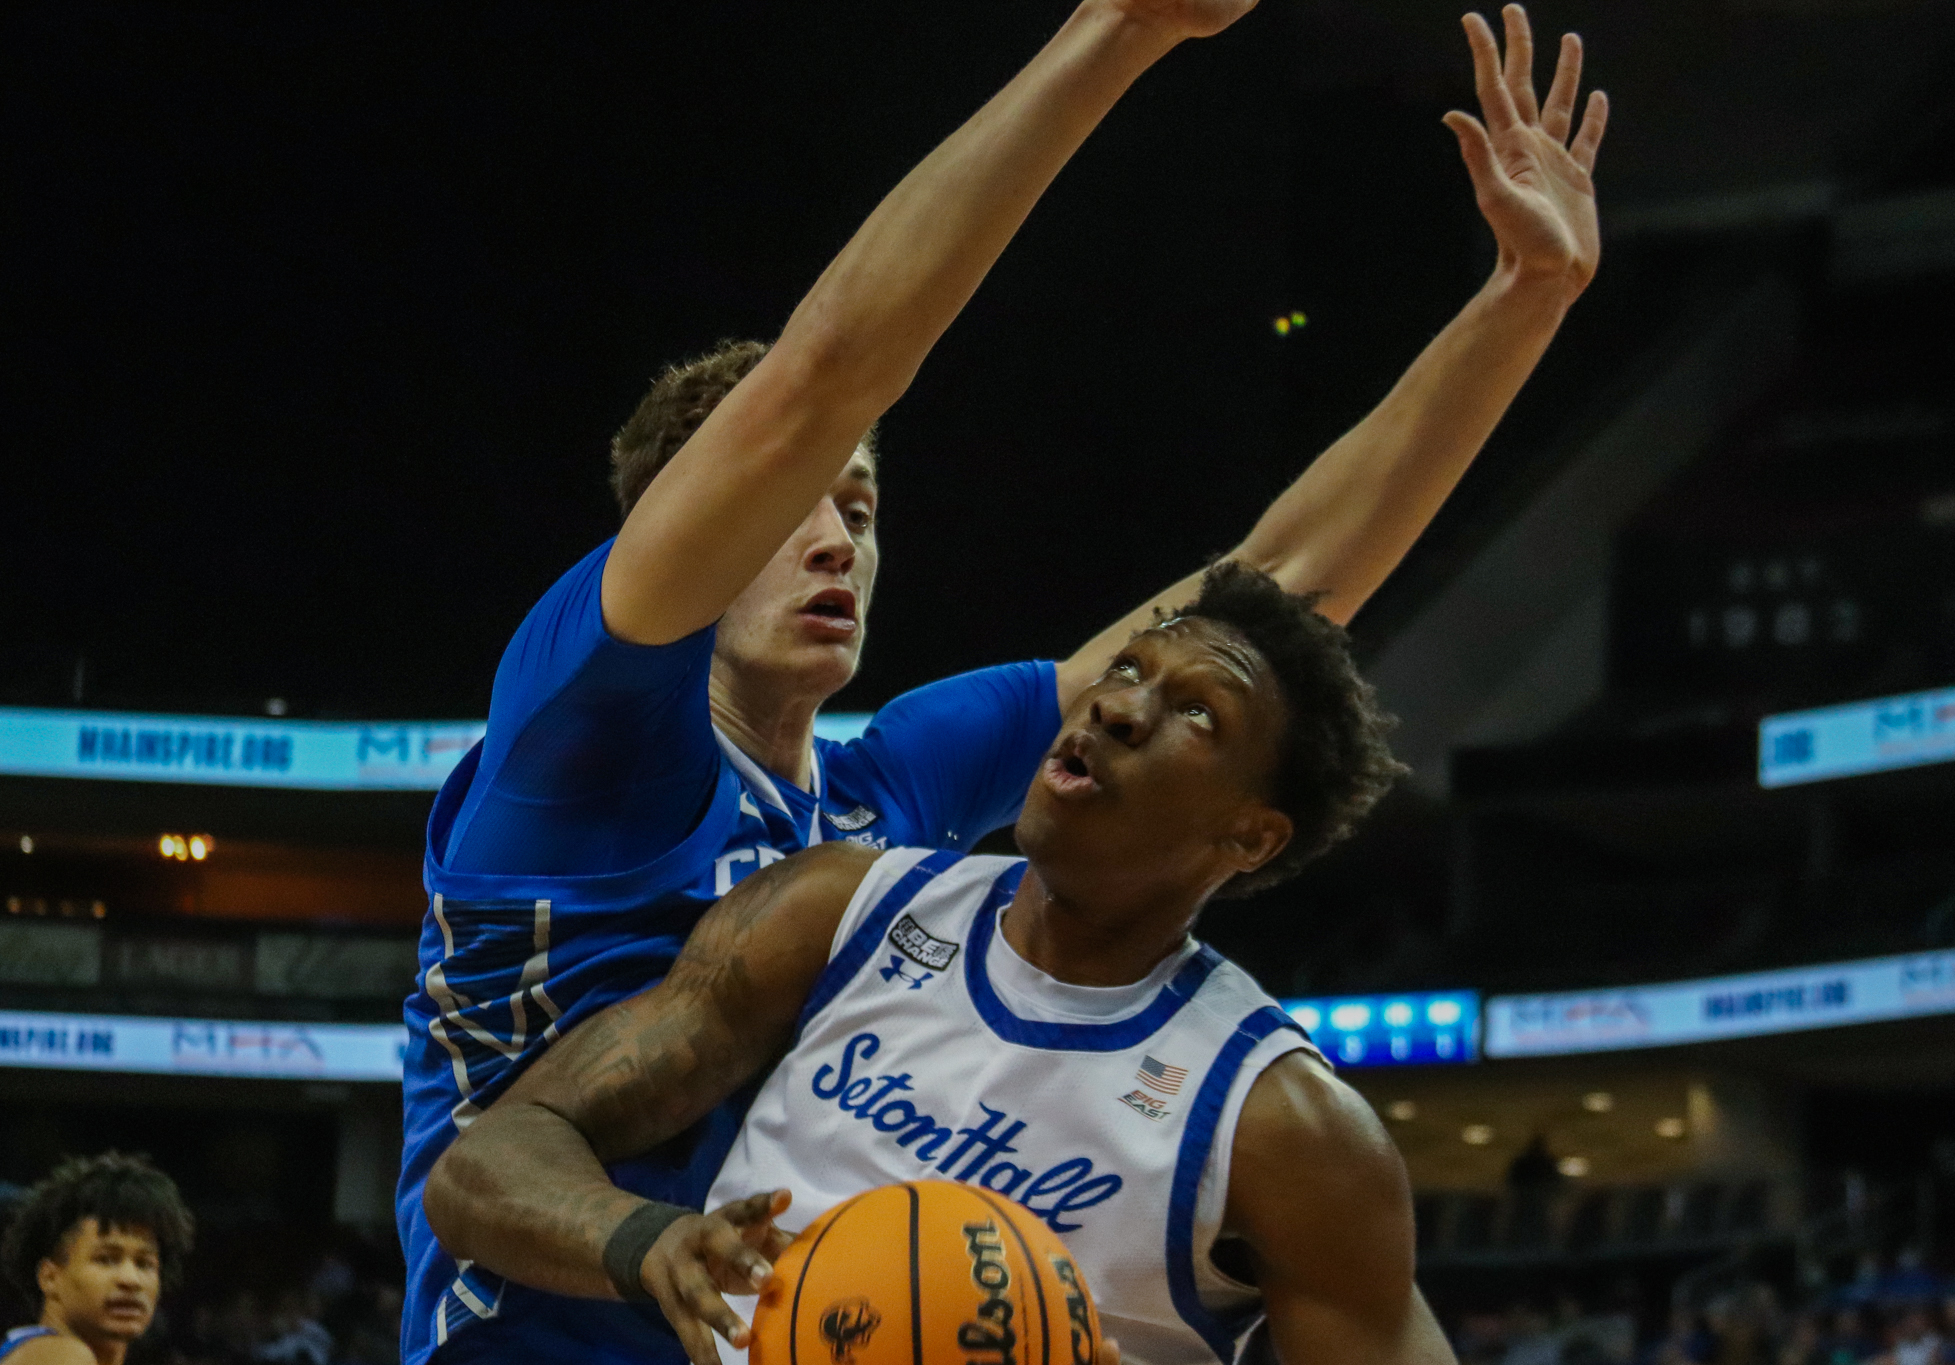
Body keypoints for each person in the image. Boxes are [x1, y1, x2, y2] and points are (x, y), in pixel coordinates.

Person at [401, 0, 1607, 1359]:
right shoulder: (589, 722)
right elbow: (824, 377)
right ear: (684, 527)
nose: (835, 531)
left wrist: (1526, 302)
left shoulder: (892, 789)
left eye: (862, 507)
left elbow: (1274, 595)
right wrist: (1123, 29)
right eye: (796, 497)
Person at [426, 560, 1467, 1365]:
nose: (1116, 705)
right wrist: (646, 1243)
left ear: (1250, 837)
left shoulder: (1279, 1125)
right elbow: (482, 1168)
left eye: (1196, 713)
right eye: (1127, 667)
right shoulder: (842, 907)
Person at [0, 1152, 195, 1365]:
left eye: (144, 1264)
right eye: (106, 1259)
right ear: (50, 1277)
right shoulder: (60, 1354)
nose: (131, 1280)